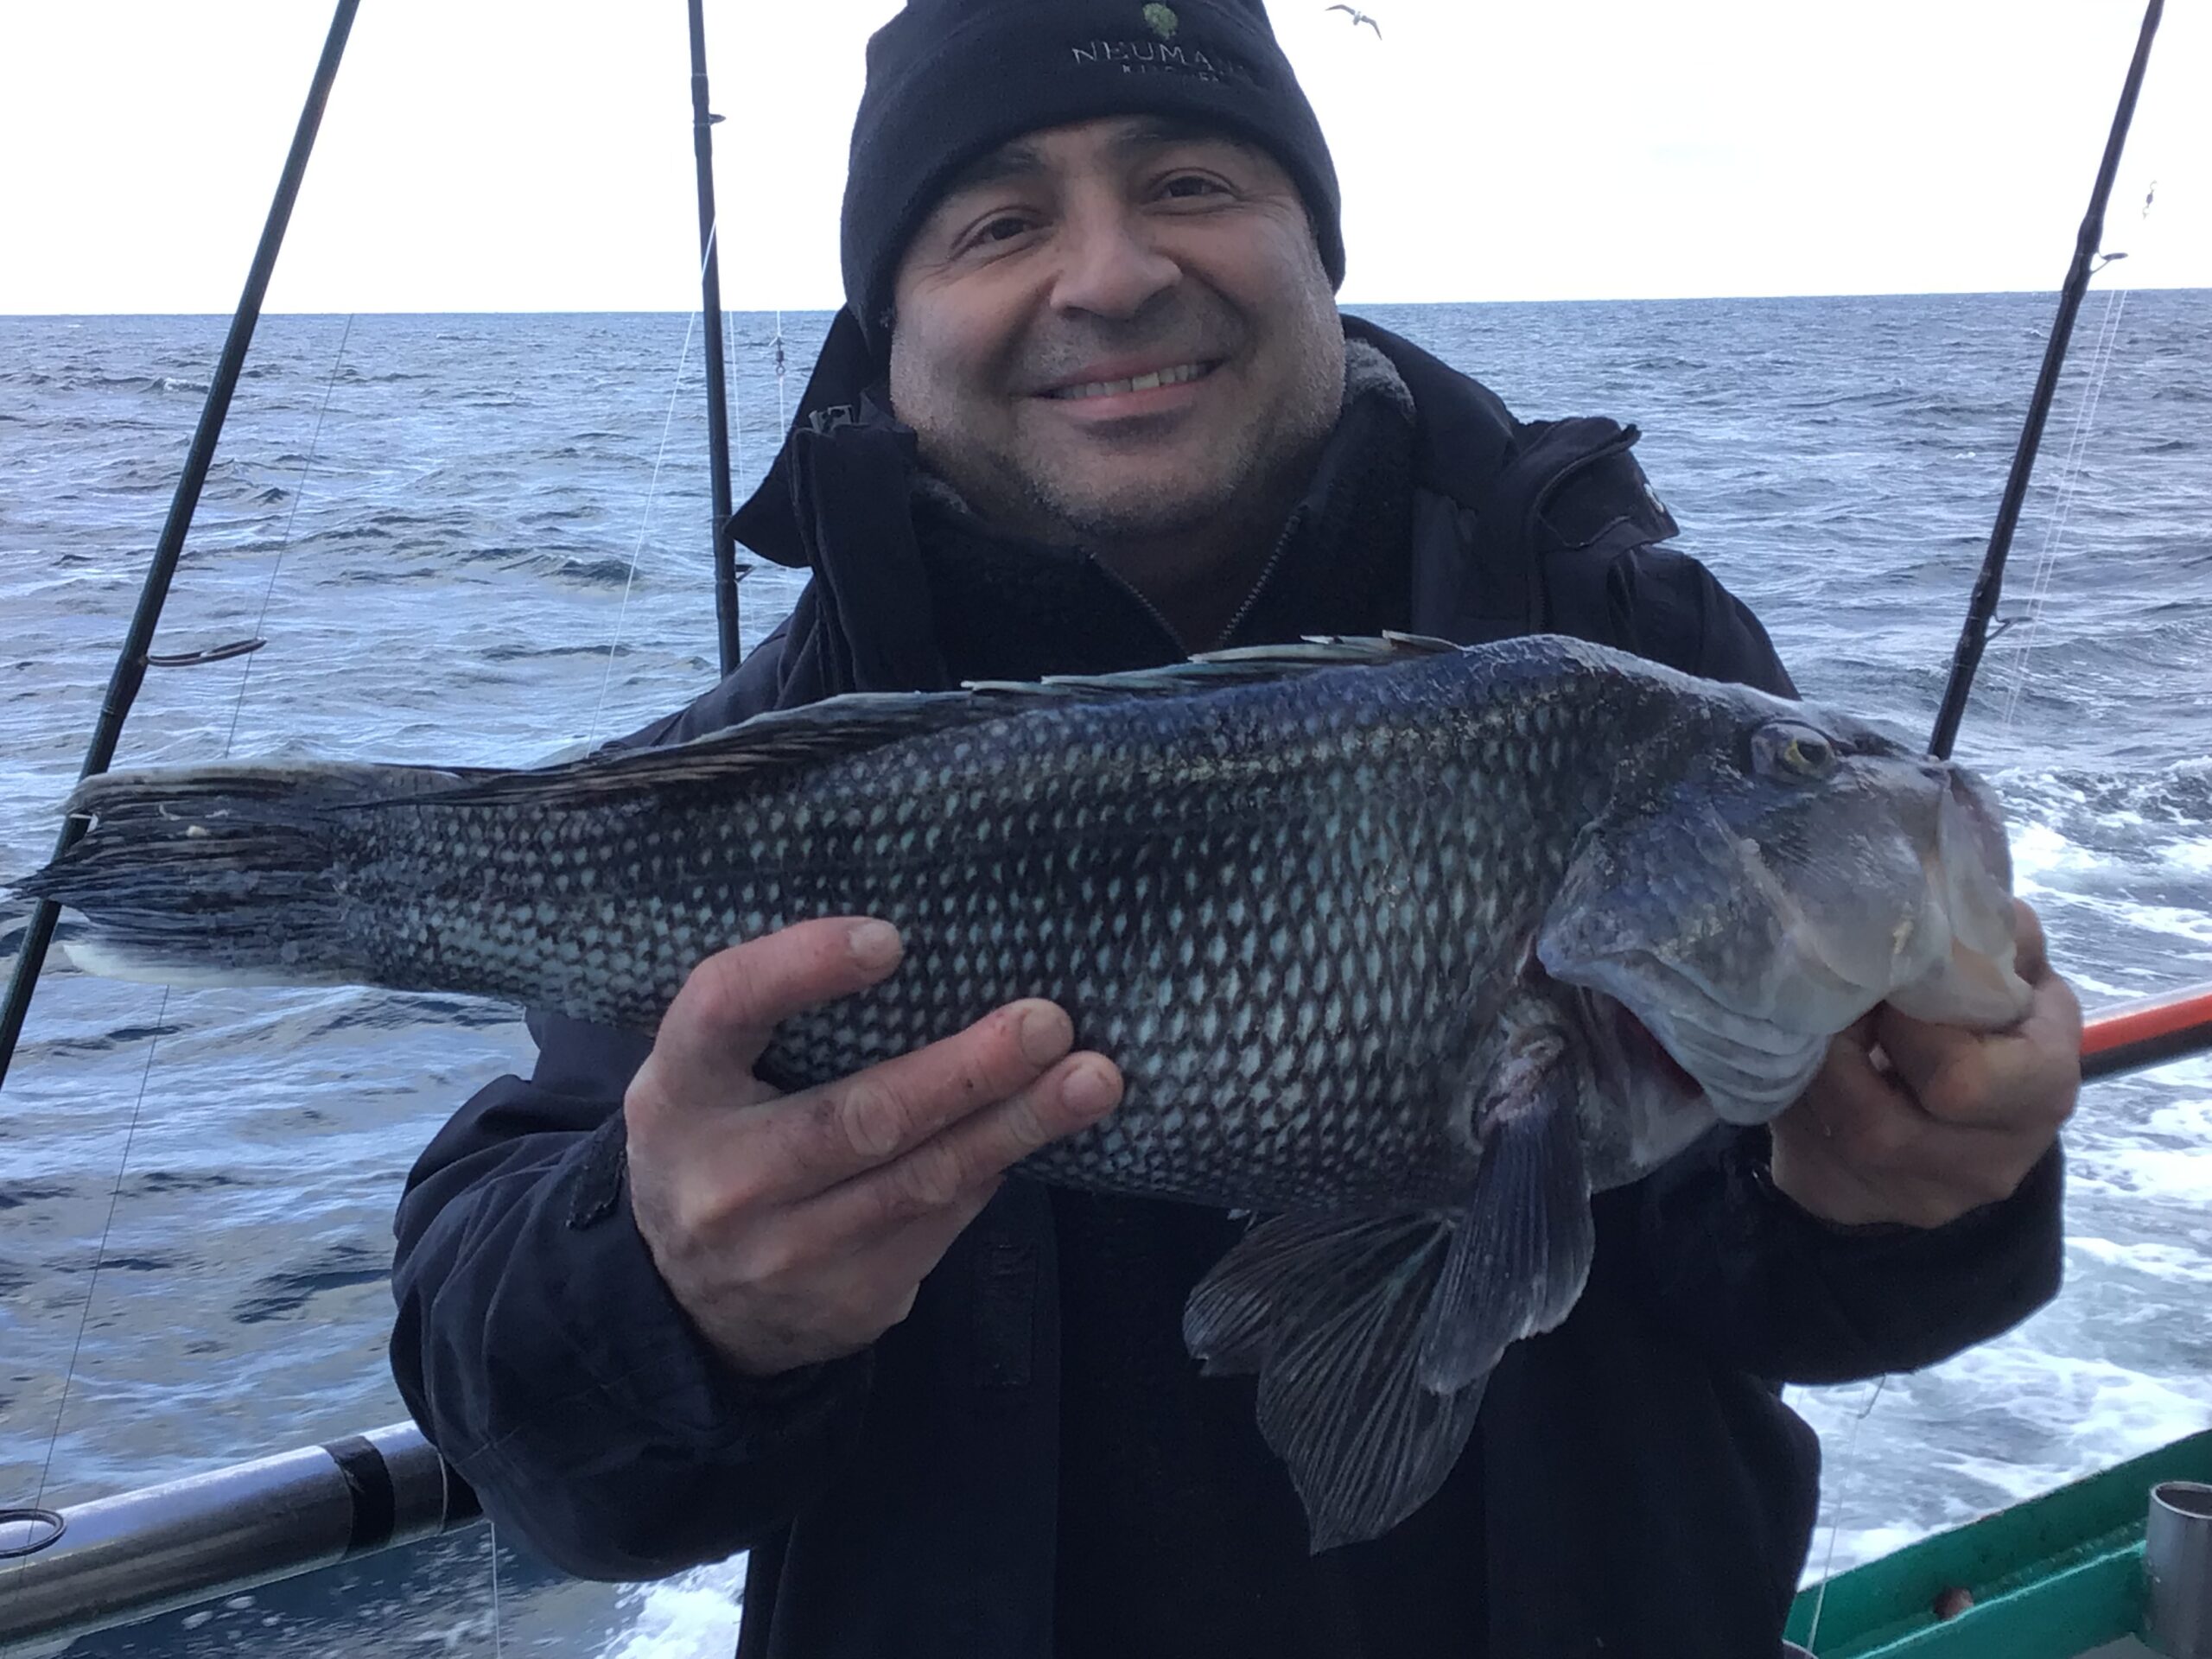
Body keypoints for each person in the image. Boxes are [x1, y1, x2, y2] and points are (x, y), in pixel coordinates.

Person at [389, 2, 2082, 1654]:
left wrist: (1917, 1193)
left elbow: (1766, 1291)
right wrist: (675, 1299)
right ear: (883, 331)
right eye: (996, 219)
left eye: (1189, 182)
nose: (1112, 274)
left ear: (1315, 252)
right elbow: (526, 1433)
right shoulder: (754, 789)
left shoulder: (1640, 666)